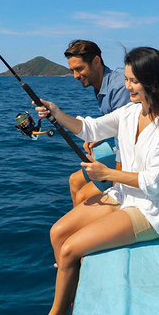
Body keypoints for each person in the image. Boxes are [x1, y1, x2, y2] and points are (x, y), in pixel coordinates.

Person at [24, 46, 159, 315]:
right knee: (58, 234)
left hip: (153, 210)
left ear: (153, 81)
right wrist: (56, 112)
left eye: (133, 81)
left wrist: (107, 173)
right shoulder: (130, 112)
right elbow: (90, 127)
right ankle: (68, 292)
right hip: (124, 195)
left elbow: (154, 184)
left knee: (72, 248)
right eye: (126, 79)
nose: (127, 86)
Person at [64, 40, 131, 207]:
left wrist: (117, 182)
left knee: (83, 197)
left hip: (132, 159)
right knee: (74, 181)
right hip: (124, 150)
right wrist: (101, 136)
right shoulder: (100, 84)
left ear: (96, 61)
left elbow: (127, 138)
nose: (75, 76)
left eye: (79, 69)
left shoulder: (119, 87)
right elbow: (115, 121)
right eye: (72, 71)